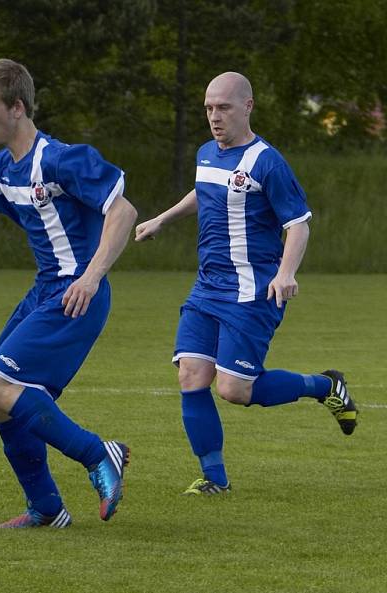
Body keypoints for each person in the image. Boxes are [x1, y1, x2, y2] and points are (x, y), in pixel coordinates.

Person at [0, 59, 138, 527]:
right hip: (45, 291)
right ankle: (46, 507)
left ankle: (98, 453)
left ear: (17, 108)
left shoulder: (61, 159)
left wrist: (92, 275)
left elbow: (123, 213)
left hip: (76, 293)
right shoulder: (1, 169)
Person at [134, 71, 358, 495]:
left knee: (235, 389)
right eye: (208, 108)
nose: (214, 117)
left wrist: (286, 272)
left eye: (224, 108)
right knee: (191, 376)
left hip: (252, 291)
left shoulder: (267, 162)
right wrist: (162, 218)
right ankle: (214, 480)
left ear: (248, 107)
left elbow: (299, 224)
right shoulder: (207, 153)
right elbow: (204, 191)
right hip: (206, 288)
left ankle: (326, 385)